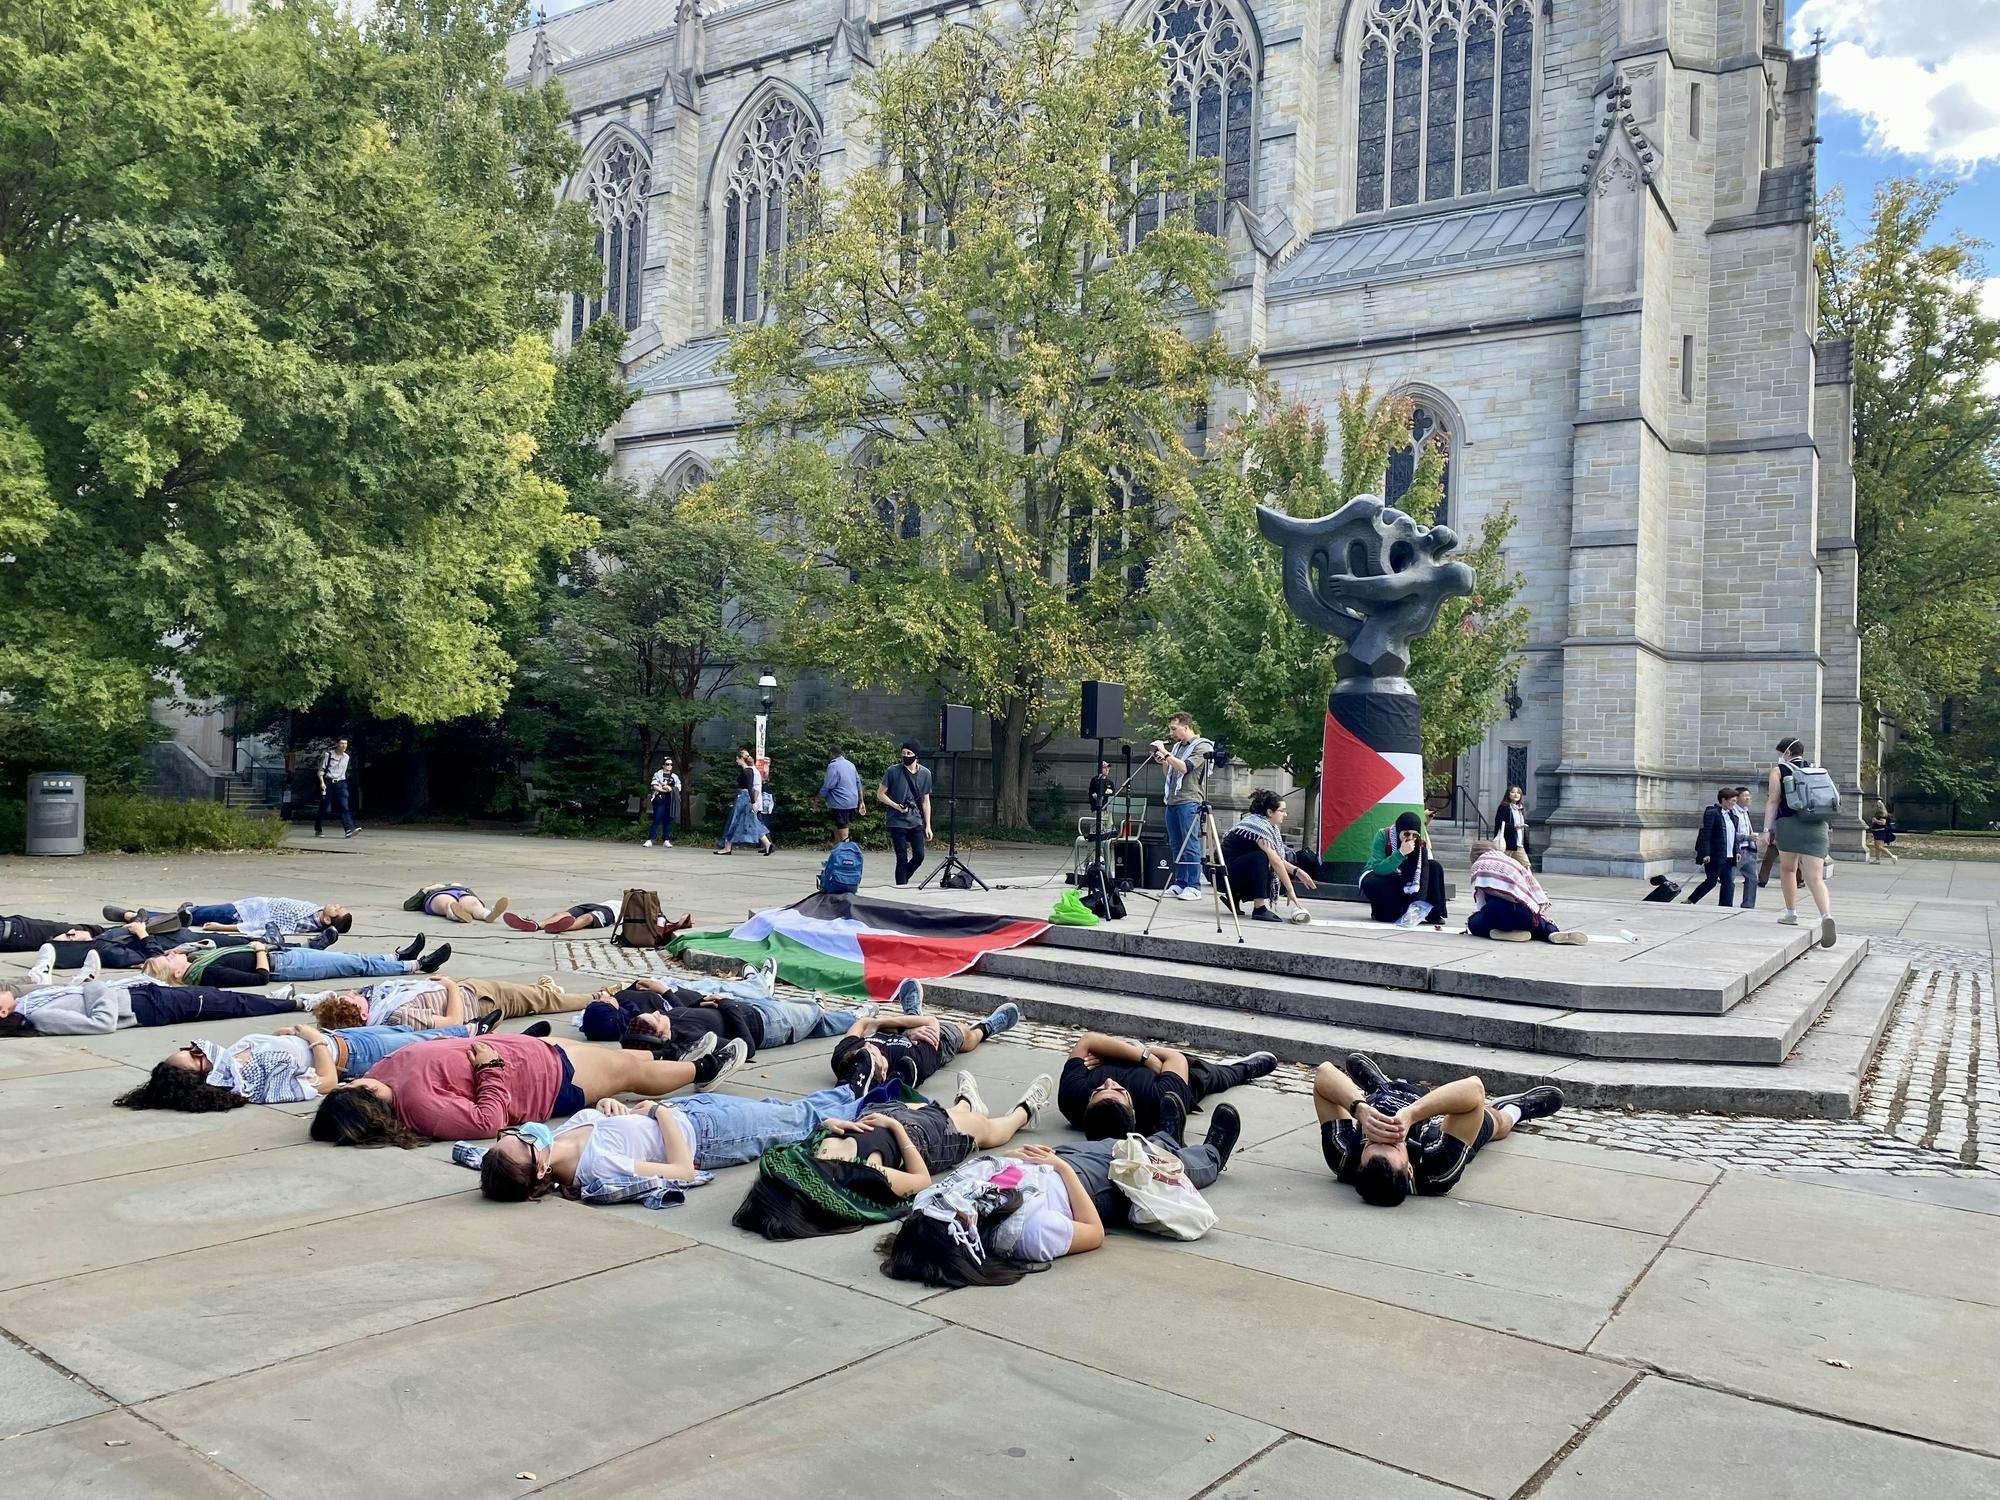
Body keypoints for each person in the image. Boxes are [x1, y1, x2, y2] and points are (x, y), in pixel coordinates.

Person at [875, 1095, 1241, 1289]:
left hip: (1041, 1170)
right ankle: (1210, 1155)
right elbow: (1094, 1233)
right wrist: (1061, 1169)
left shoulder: (933, 1212)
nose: (954, 1203)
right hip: (1085, 1185)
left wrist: (1010, 1160)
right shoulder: (1030, 1234)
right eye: (956, 1216)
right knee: (1154, 1166)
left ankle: (1166, 1134)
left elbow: (983, 1183)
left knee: (1124, 1144)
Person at [733, 1076, 1059, 1240]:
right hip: (922, 1139)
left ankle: (966, 1103)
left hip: (884, 1115)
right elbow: (920, 1181)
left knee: (949, 1111)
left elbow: (797, 1150)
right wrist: (897, 1131)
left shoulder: (805, 1159)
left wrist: (827, 1125)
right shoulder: (861, 1175)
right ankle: (1023, 1112)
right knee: (985, 1129)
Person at [308, 1031, 748, 1146]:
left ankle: (678, 1060)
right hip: (546, 1081)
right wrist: (492, 1066)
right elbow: (487, 1121)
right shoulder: (420, 1108)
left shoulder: (383, 1076)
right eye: (358, 1093)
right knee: (628, 1074)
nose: (357, 1083)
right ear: (370, 1110)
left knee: (626, 1061)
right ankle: (702, 1071)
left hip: (529, 1052)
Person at [1313, 1052, 1563, 1207]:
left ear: (1360, 1163)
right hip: (1433, 1133)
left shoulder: (1344, 1157)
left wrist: (1360, 1110)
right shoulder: (1437, 1170)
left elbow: (1324, 1073)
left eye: (1372, 1141)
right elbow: (1474, 1089)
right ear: (1409, 1169)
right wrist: (1411, 1114)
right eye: (1392, 1143)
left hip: (1382, 1103)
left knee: (1379, 1100)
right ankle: (1515, 1108)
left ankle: (1381, 1086)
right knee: (1492, 1123)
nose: (1384, 1134)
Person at [114, 1020, 479, 1110]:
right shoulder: (252, 1085)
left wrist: (287, 1033)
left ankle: (476, 1028)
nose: (197, 1049)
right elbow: (324, 1082)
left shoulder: (235, 1059)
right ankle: (480, 1033)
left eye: (189, 1048)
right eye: (195, 1057)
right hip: (349, 1054)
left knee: (408, 1029)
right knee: (430, 1042)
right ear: (203, 1075)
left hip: (340, 1037)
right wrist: (313, 1038)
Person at [1058, 1030, 1275, 1140]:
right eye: (1118, 1091)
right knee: (1210, 1076)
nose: (1108, 1082)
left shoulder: (1071, 1097)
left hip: (1130, 1058)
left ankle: (1128, 1050)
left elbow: (1086, 1040)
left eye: (1098, 1090)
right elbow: (1175, 1057)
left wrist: (1138, 1055)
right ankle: (1243, 1069)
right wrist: (1148, 1057)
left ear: (1087, 1104)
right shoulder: (1159, 1102)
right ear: (1132, 1109)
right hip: (1168, 1070)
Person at [830, 1000, 1029, 1094]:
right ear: (883, 1075)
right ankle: (986, 1028)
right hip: (931, 1043)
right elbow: (931, 1023)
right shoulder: (910, 1064)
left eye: (865, 1049)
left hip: (898, 1032)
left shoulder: (844, 1058)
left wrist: (888, 1026)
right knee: (962, 1035)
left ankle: (912, 1011)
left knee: (912, 1024)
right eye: (873, 1056)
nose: (870, 1047)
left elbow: (863, 1022)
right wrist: (908, 1028)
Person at [0, 976, 302, 1036]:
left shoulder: (28, 1001)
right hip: (144, 1008)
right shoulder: (39, 1016)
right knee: (227, 1003)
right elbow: (101, 1023)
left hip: (142, 995)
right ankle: (294, 1004)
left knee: (214, 995)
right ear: (3, 1013)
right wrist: (95, 987)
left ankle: (274, 1000)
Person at [319, 973, 598, 1029]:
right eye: (353, 1000)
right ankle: (597, 998)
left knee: (531, 993)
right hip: (479, 1001)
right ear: (363, 1016)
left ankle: (546, 987)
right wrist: (452, 987)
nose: (355, 994)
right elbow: (452, 1022)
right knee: (542, 1000)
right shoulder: (396, 1016)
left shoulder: (380, 1003)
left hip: (471, 988)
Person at [142, 938, 446, 989]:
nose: (172, 953)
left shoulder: (197, 960)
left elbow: (188, 947)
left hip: (283, 954)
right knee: (352, 966)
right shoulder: (206, 973)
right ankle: (417, 966)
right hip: (283, 965)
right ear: (177, 971)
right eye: (169, 959)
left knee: (348, 958)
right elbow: (258, 979)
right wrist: (259, 950)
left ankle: (396, 957)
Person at [1765, 735, 1834, 947]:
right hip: (1817, 826)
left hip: (1789, 825)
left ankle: (1791, 913)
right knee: (1815, 878)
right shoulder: (1818, 770)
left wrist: (1766, 829)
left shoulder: (1779, 771)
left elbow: (1773, 800)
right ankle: (1826, 916)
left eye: (1780, 753)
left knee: (1788, 869)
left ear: (1786, 753)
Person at [1220, 789, 1318, 923]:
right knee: (1261, 858)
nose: (1285, 814)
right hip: (1223, 874)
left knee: (1279, 874)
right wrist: (1291, 891)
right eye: (1282, 811)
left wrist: (1297, 872)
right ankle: (1259, 908)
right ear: (1270, 812)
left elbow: (1279, 859)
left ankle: (1235, 895)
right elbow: (1276, 861)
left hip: (1234, 870)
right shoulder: (1258, 827)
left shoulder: (1267, 826)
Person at [1465, 841, 1586, 943]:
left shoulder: (1479, 864)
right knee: (1540, 923)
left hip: (1495, 913)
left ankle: (1499, 932)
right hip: (1524, 916)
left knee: (1473, 923)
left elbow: (1480, 901)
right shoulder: (1512, 862)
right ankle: (1551, 933)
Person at [104, 897, 353, 942]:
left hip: (241, 914)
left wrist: (224, 928)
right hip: (249, 905)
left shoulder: (305, 923)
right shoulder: (315, 910)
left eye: (338, 910)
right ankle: (136, 917)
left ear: (329, 921)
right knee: (188, 916)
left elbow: (265, 927)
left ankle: (134, 918)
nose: (337, 905)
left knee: (187, 917)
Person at [1153, 712, 1213, 901]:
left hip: (1189, 799)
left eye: (1174, 729)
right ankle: (1180, 882)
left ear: (1186, 727)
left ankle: (1194, 886)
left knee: (1190, 843)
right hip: (1172, 799)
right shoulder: (1178, 747)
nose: (1171, 733)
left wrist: (1166, 752)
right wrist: (1164, 760)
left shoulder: (1202, 746)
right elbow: (1170, 772)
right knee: (1176, 843)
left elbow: (1185, 767)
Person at [1359, 811, 1448, 927]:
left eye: (1414, 835)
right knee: (1374, 881)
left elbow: (1424, 873)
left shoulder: (1419, 843)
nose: (1410, 838)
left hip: (1406, 876)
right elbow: (1378, 869)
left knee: (1435, 867)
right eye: (1406, 834)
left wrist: (1417, 906)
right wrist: (1400, 854)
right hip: (1385, 874)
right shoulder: (1383, 835)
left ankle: (1432, 913)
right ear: (1398, 831)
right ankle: (1385, 912)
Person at [878, 739, 934, 884]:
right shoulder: (893, 771)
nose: (905, 756)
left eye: (909, 753)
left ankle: (903, 879)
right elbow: (880, 794)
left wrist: (928, 825)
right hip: (896, 820)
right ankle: (901, 886)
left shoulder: (925, 774)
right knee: (901, 857)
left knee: (919, 856)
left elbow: (925, 801)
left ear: (916, 755)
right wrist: (895, 805)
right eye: (903, 753)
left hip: (915, 820)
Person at [502, 898, 681, 936]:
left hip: (611, 914)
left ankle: (563, 927)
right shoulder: (631, 898)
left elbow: (662, 924)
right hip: (599, 904)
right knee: (561, 913)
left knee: (587, 919)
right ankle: (536, 924)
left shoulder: (650, 912)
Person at [1684, 786, 1740, 907]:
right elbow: (1706, 834)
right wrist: (1706, 853)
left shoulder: (1732, 816)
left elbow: (1733, 836)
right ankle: (1691, 900)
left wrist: (1737, 850)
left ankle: (1726, 906)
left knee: (1728, 883)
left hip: (1729, 856)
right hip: (1715, 855)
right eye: (1732, 801)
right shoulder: (1712, 813)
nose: (1734, 804)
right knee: (1711, 881)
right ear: (1724, 800)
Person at [716, 747, 774, 857]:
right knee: (752, 822)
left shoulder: (747, 771)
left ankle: (727, 847)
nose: (736, 761)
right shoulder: (750, 770)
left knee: (735, 821)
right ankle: (767, 844)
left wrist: (753, 802)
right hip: (746, 797)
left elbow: (750, 787)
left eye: (737, 759)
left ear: (741, 759)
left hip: (743, 798)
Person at [400, 883, 510, 924]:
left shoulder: (456, 885)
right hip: (437, 895)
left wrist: (476, 900)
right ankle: (455, 915)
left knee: (474, 903)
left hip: (461, 893)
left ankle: (488, 915)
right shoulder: (434, 888)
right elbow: (408, 905)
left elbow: (472, 896)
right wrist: (426, 889)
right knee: (448, 902)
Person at [315, 737, 358, 839]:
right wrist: (322, 783)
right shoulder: (328, 755)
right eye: (342, 743)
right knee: (324, 807)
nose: (344, 746)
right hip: (328, 783)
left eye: (346, 744)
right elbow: (321, 770)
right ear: (337, 745)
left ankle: (349, 829)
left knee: (344, 806)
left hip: (341, 784)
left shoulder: (347, 757)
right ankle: (318, 828)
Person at [819, 745, 863, 842]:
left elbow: (828, 785)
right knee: (838, 826)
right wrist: (861, 801)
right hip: (852, 802)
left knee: (843, 831)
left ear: (831, 753)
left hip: (840, 802)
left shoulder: (833, 766)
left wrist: (818, 799)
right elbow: (858, 783)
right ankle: (837, 850)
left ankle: (846, 853)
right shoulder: (850, 764)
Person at [1730, 787, 1760, 910]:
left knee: (1752, 878)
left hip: (1749, 849)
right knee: (1729, 879)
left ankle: (1748, 905)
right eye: (1745, 796)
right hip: (1737, 850)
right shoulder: (1733, 812)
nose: (1748, 798)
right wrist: (1747, 837)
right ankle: (1726, 904)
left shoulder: (1745, 811)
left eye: (1749, 796)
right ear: (1737, 798)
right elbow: (1732, 834)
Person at [644, 755, 681, 848]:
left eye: (671, 764)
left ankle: (666, 839)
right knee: (657, 818)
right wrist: (665, 790)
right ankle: (650, 839)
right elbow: (654, 785)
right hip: (660, 799)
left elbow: (679, 787)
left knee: (668, 820)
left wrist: (670, 789)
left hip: (670, 800)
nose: (669, 766)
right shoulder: (658, 774)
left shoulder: (674, 776)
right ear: (663, 765)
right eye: (667, 764)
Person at [1491, 784, 1531, 869]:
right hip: (1506, 843)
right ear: (1508, 794)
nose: (1516, 794)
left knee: (1526, 865)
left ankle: (1528, 882)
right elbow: (1499, 824)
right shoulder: (1504, 807)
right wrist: (1514, 826)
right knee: (1501, 866)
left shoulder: (1521, 808)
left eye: (1518, 793)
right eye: (1513, 792)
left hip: (1519, 844)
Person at [1865, 800, 1900, 864]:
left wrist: (1875, 820)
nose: (1877, 807)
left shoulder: (1882, 813)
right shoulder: (1879, 812)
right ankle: (1877, 859)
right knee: (1877, 847)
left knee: (1880, 847)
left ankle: (1892, 856)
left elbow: (1883, 823)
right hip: (1877, 831)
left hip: (1880, 831)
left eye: (1878, 806)